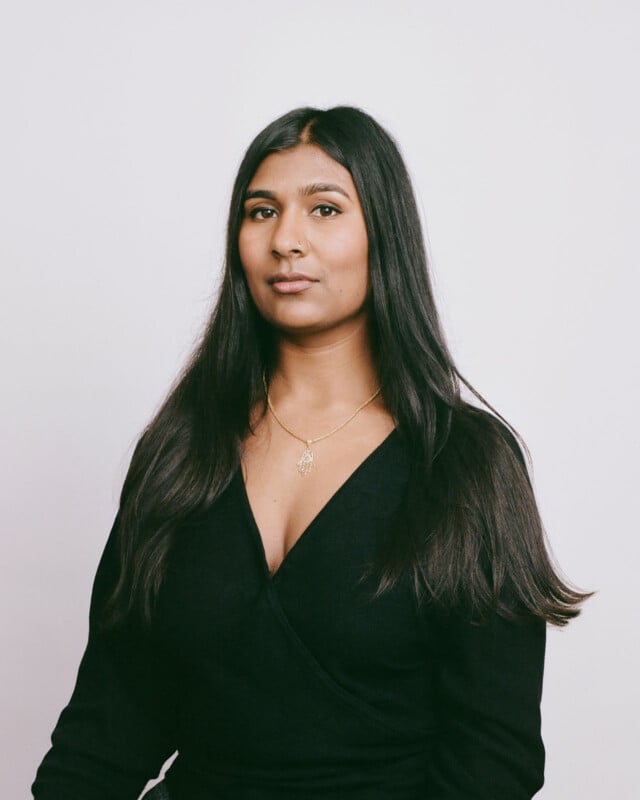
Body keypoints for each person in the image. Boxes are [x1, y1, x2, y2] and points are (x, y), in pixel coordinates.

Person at [32, 106, 589, 800]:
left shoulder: (465, 463)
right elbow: (108, 726)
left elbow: (493, 763)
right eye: (261, 211)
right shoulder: (181, 450)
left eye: (324, 209)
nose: (286, 239)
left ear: (382, 234)